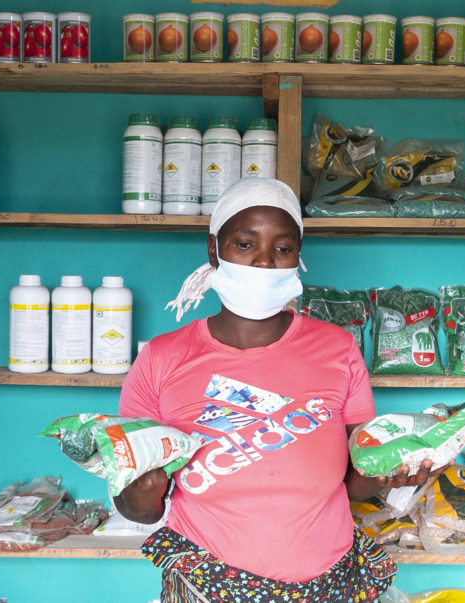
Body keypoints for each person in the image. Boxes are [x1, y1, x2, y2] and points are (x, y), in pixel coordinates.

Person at [114, 178, 437, 603]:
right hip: (206, 579)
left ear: (297, 256)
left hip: (329, 579)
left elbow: (352, 481)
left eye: (282, 248)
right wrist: (138, 498)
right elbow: (135, 502)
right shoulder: (161, 357)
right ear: (214, 249)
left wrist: (392, 473)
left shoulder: (337, 347)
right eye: (245, 244)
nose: (265, 262)